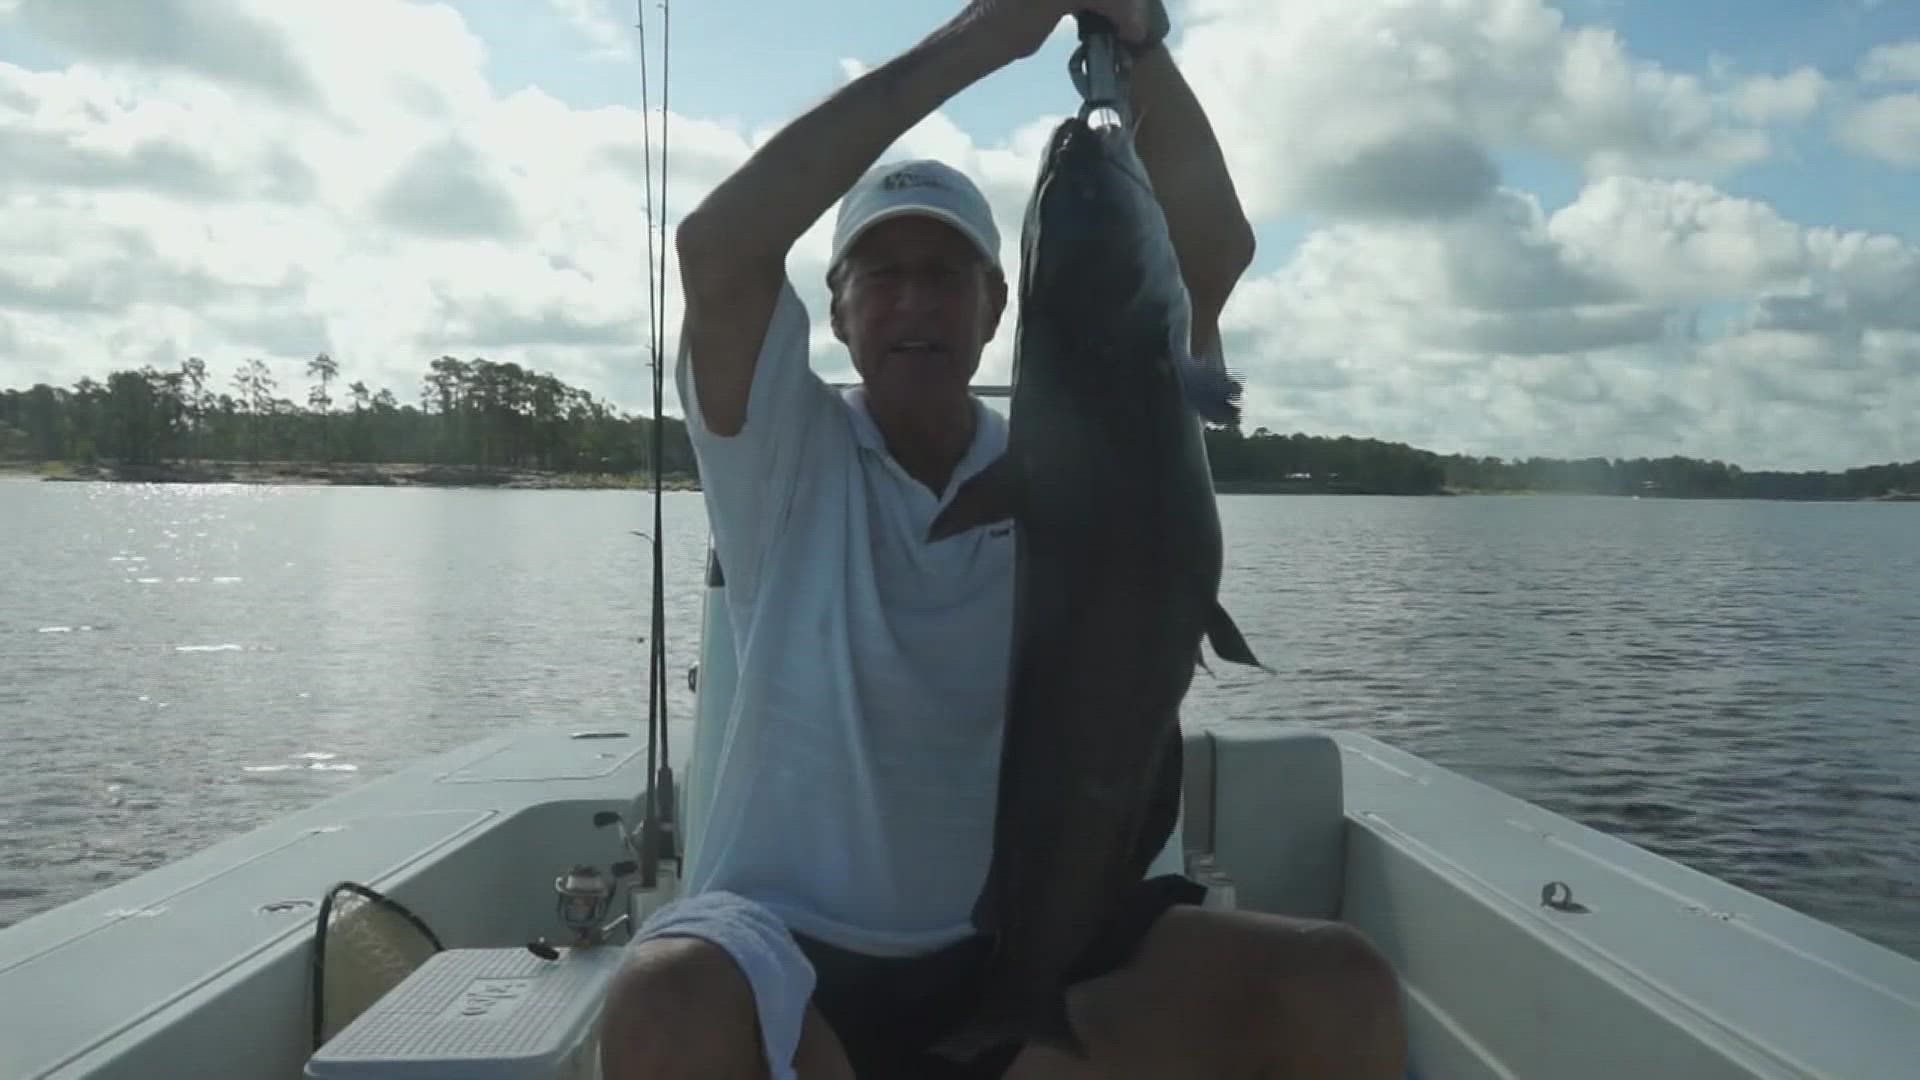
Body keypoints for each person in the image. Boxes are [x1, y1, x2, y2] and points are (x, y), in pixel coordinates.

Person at [598, 1, 1409, 1077]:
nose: (915, 299)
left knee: (1335, 985)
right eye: (880, 276)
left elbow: (1215, 245)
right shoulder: (780, 461)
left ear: (998, 308)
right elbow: (719, 244)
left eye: (948, 273)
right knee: (662, 997)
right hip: (792, 950)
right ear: (835, 316)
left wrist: (1136, 49)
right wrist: (994, 33)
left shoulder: (1105, 429)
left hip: (1045, 938)